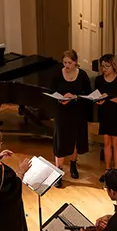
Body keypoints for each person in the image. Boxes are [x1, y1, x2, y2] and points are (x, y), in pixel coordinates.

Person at [50, 50, 92, 188]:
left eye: (70, 63)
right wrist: (61, 98)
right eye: (65, 62)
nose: (67, 65)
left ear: (75, 62)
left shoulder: (82, 75)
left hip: (77, 112)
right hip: (62, 112)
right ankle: (59, 172)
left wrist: (74, 96)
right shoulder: (57, 73)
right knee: (60, 141)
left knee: (75, 139)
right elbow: (52, 91)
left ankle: (73, 165)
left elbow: (87, 94)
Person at [94, 54, 117, 178]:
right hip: (105, 114)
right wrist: (99, 100)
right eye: (102, 66)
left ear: (113, 66)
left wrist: (109, 98)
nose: (104, 69)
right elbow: (97, 95)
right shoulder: (99, 80)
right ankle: (108, 169)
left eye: (107, 66)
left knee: (116, 144)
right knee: (106, 143)